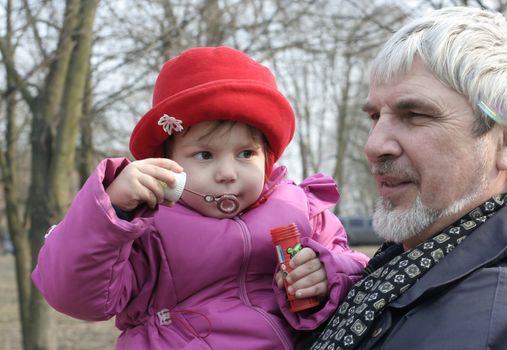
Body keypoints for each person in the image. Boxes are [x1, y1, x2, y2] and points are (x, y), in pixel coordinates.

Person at [31, 46, 369, 349]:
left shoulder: (300, 209)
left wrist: (327, 273)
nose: (228, 173)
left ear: (268, 158)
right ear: (167, 161)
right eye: (205, 155)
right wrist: (113, 209)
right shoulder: (146, 228)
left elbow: (361, 272)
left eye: (246, 153)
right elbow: (75, 296)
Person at [306, 6, 507, 350]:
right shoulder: (389, 272)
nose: (374, 145)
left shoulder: (506, 322)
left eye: (415, 115)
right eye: (376, 116)